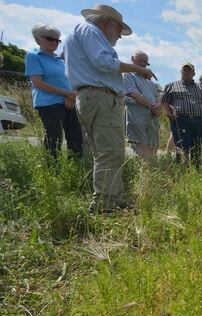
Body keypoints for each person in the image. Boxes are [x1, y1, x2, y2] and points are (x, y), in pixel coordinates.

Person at [63, 4, 155, 213]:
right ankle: (104, 205)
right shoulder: (91, 31)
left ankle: (114, 199)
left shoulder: (82, 33)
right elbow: (105, 62)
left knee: (107, 152)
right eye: (118, 29)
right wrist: (138, 68)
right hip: (100, 97)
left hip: (94, 97)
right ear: (106, 22)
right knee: (110, 153)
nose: (120, 36)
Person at [25, 23, 83, 160]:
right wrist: (66, 93)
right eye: (50, 39)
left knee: (76, 139)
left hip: (68, 102)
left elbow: (70, 81)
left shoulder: (60, 60)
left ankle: (75, 171)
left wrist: (71, 97)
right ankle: (54, 173)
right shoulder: (33, 55)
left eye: (57, 40)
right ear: (38, 39)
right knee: (54, 140)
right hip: (49, 104)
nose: (55, 42)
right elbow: (38, 82)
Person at [161, 63, 202, 166]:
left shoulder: (201, 88)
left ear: (194, 73)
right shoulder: (172, 86)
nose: (186, 72)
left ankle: (196, 170)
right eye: (184, 70)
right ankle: (180, 170)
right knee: (181, 147)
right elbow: (164, 101)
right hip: (181, 120)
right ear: (181, 72)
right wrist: (168, 114)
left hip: (199, 122)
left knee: (197, 148)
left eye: (189, 71)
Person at [123, 50, 160, 161]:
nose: (143, 64)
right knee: (140, 145)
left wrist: (158, 105)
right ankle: (143, 172)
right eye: (140, 61)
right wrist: (152, 106)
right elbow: (134, 94)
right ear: (132, 60)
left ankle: (150, 170)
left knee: (152, 144)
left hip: (152, 116)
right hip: (136, 113)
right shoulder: (128, 75)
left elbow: (157, 95)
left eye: (146, 62)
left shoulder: (150, 81)